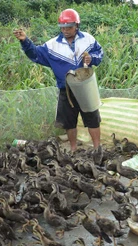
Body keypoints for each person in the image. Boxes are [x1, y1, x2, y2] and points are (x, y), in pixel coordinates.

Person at [13, 8, 104, 152]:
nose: (65, 30)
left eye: (69, 27)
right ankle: (73, 149)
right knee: (69, 122)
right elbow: (36, 54)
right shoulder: (52, 45)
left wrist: (92, 58)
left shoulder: (88, 39)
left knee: (92, 118)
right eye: (62, 27)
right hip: (66, 89)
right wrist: (25, 41)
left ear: (77, 26)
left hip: (85, 87)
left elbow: (99, 52)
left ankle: (98, 148)